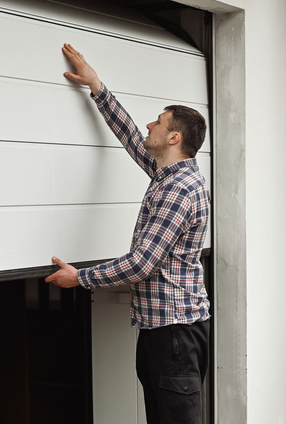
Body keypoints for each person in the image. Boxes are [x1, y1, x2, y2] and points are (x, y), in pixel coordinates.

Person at [46, 43, 211, 423]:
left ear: (174, 139)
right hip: (164, 332)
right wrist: (98, 88)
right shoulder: (168, 174)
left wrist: (80, 278)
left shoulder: (178, 189)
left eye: (158, 121)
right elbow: (132, 138)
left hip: (175, 337)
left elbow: (141, 264)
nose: (149, 125)